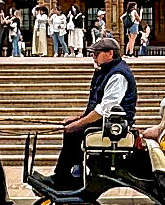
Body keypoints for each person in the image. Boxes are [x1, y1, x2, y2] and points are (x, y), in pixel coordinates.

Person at [47, 37, 135, 192]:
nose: (93, 57)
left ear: (110, 53)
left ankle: (65, 177)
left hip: (114, 124)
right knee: (71, 128)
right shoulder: (107, 71)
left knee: (73, 132)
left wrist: (79, 124)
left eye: (97, 53)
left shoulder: (118, 75)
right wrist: (79, 118)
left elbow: (105, 109)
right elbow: (96, 105)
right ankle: (71, 173)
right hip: (108, 120)